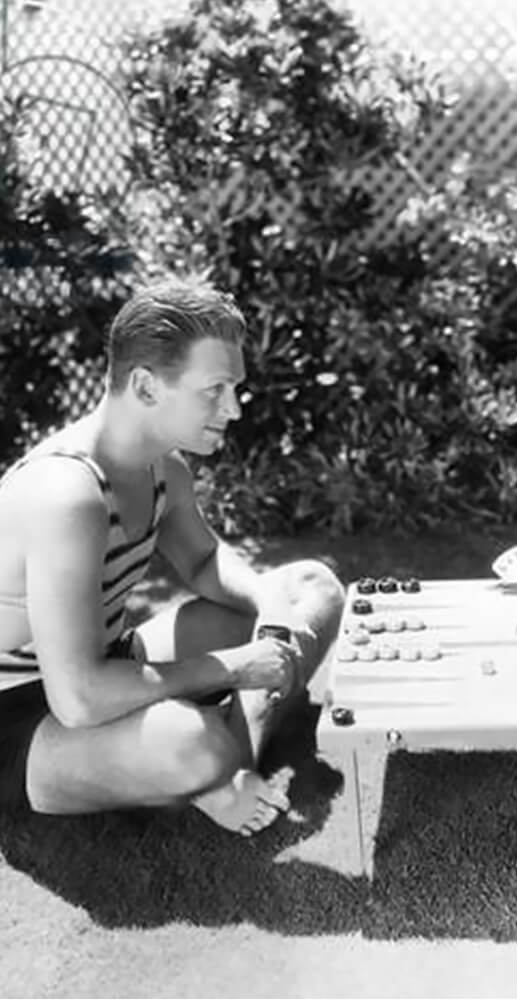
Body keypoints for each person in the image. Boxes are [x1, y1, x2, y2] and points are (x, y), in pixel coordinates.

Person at [0, 279, 344, 837]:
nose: (234, 408)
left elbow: (204, 563)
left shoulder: (164, 468)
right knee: (190, 741)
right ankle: (215, 758)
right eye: (214, 390)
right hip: (24, 713)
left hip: (107, 662)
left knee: (312, 586)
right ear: (145, 386)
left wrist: (269, 603)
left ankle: (231, 766)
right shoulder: (68, 495)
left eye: (234, 388)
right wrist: (236, 666)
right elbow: (79, 698)